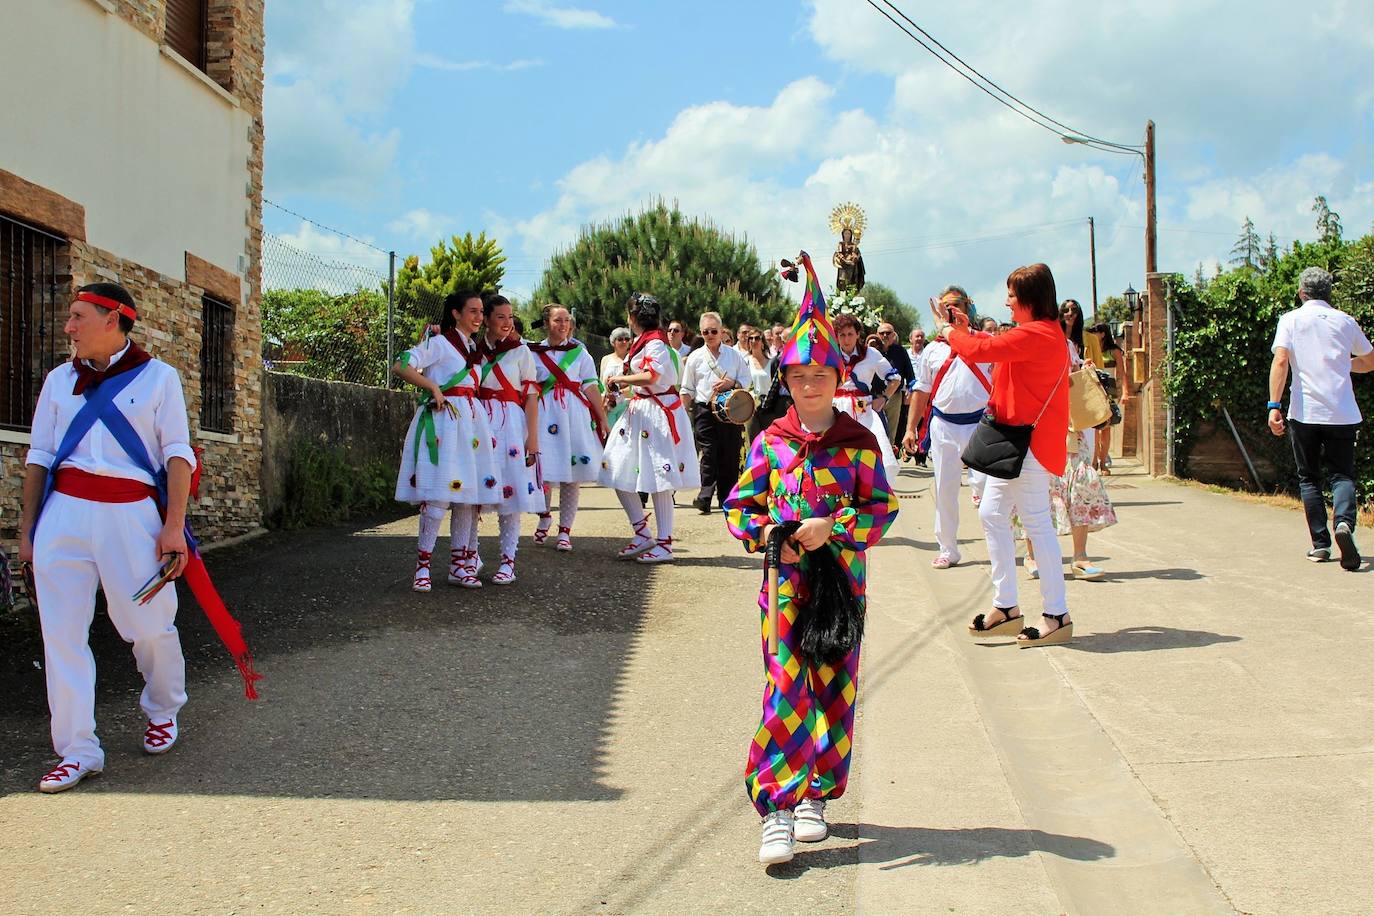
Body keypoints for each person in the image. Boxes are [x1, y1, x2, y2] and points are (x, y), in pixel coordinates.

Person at [19, 282, 257, 792]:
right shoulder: (60, 381)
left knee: (147, 625)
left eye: (79, 316)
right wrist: (28, 533)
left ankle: (164, 708)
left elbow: (177, 453)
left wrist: (173, 526)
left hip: (131, 517)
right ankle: (78, 749)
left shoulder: (158, 378)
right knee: (60, 635)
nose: (68, 327)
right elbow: (39, 457)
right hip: (64, 516)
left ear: (113, 320)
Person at [726, 251, 898, 865]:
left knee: (835, 687)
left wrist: (837, 528)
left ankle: (815, 796)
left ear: (837, 377)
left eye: (820, 375)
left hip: (842, 589)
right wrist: (777, 531)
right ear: (787, 381)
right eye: (798, 376)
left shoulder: (858, 444)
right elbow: (738, 509)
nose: (809, 385)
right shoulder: (771, 443)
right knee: (785, 689)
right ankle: (776, 804)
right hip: (784, 588)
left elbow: (882, 508)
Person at [943, 263, 1073, 647]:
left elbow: (984, 349)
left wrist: (952, 332)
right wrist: (965, 332)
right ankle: (1008, 606)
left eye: (1013, 297)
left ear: (1030, 300)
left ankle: (1056, 614)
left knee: (1035, 523)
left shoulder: (1040, 335)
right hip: (1017, 442)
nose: (1007, 303)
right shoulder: (1039, 334)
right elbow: (989, 347)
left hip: (1027, 445)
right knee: (991, 513)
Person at [1268, 266, 1374, 570]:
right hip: (1342, 413)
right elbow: (1370, 360)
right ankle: (1344, 524)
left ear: (1302, 293)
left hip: (1305, 413)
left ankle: (1321, 545)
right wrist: (1343, 365)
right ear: (1329, 293)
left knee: (1309, 478)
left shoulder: (1290, 320)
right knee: (1342, 474)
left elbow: (1281, 360)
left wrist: (1274, 405)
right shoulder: (1345, 321)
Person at [393, 290, 497, 592]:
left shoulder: (471, 349)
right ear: (455, 313)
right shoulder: (438, 344)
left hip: (471, 425)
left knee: (466, 497)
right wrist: (433, 388)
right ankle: (422, 568)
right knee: (439, 494)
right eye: (473, 311)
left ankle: (459, 566)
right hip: (444, 423)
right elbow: (401, 365)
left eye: (481, 312)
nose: (479, 317)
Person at [600, 294, 700, 563]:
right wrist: (619, 391)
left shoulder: (654, 342)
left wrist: (620, 379)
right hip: (641, 410)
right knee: (616, 468)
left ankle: (665, 543)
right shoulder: (645, 341)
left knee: (660, 478)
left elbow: (652, 376)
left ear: (633, 318)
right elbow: (643, 381)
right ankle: (642, 532)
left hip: (657, 412)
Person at [1022, 303, 1118, 581]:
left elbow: (1074, 380)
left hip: (1069, 425)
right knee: (1037, 488)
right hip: (1038, 427)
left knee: (1081, 485)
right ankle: (1032, 554)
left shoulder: (1067, 346)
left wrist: (1083, 370)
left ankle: (1080, 556)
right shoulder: (1027, 345)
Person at [455, 294, 542, 586]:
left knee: (511, 493)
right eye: (500, 317)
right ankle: (470, 556)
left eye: (510, 317)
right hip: (480, 423)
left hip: (512, 425)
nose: (507, 323)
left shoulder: (521, 353)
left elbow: (531, 398)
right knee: (475, 492)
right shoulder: (474, 351)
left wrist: (533, 440)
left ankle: (508, 561)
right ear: (487, 320)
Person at [903, 286, 992, 569]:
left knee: (989, 488)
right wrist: (910, 428)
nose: (952, 311)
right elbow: (922, 390)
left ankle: (999, 544)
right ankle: (948, 548)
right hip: (943, 425)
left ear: (968, 307)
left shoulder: (985, 342)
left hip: (980, 424)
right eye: (946, 306)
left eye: (957, 305)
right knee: (945, 487)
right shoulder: (932, 350)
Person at [530, 304, 610, 552]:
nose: (563, 325)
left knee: (572, 477)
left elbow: (590, 387)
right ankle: (544, 515)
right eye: (557, 320)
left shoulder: (581, 354)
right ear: (546, 323)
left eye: (567, 320)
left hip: (574, 417)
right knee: (542, 471)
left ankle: (565, 531)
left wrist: (602, 417)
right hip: (544, 416)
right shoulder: (532, 353)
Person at [682, 311, 752, 514]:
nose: (710, 335)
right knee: (709, 453)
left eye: (714, 331)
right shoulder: (695, 358)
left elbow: (747, 381)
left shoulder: (734, 355)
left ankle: (726, 498)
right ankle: (704, 496)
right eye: (705, 332)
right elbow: (687, 389)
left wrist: (732, 383)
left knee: (729, 454)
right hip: (704, 409)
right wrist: (680, 414)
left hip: (731, 411)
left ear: (721, 332)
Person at [832, 314, 902, 481]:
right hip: (835, 406)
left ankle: (870, 486)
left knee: (869, 446)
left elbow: (895, 378)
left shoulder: (871, 354)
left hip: (862, 406)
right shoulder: (831, 355)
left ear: (857, 335)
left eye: (850, 334)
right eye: (842, 335)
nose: (846, 339)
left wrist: (884, 398)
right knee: (836, 452)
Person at [1087, 322, 1127, 473]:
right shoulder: (1090, 350)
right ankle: (1094, 462)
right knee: (1095, 428)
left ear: (1102, 333)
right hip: (1094, 390)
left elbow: (1122, 373)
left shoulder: (1114, 351)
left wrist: (1125, 392)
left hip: (1109, 390)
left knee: (1106, 428)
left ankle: (1103, 462)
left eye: (1094, 332)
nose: (1092, 335)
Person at [876, 321, 915, 446]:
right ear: (877, 335)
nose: (885, 336)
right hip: (875, 395)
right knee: (875, 427)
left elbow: (909, 372)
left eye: (888, 333)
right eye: (882, 333)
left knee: (891, 429)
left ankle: (889, 459)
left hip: (895, 396)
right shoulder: (872, 351)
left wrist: (910, 390)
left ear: (894, 335)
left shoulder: (900, 351)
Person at [600, 327, 633, 427]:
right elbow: (602, 382)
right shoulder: (606, 359)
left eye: (627, 339)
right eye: (620, 339)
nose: (624, 341)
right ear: (613, 342)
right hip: (609, 405)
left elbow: (634, 385)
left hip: (627, 404)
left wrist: (619, 393)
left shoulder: (632, 360)